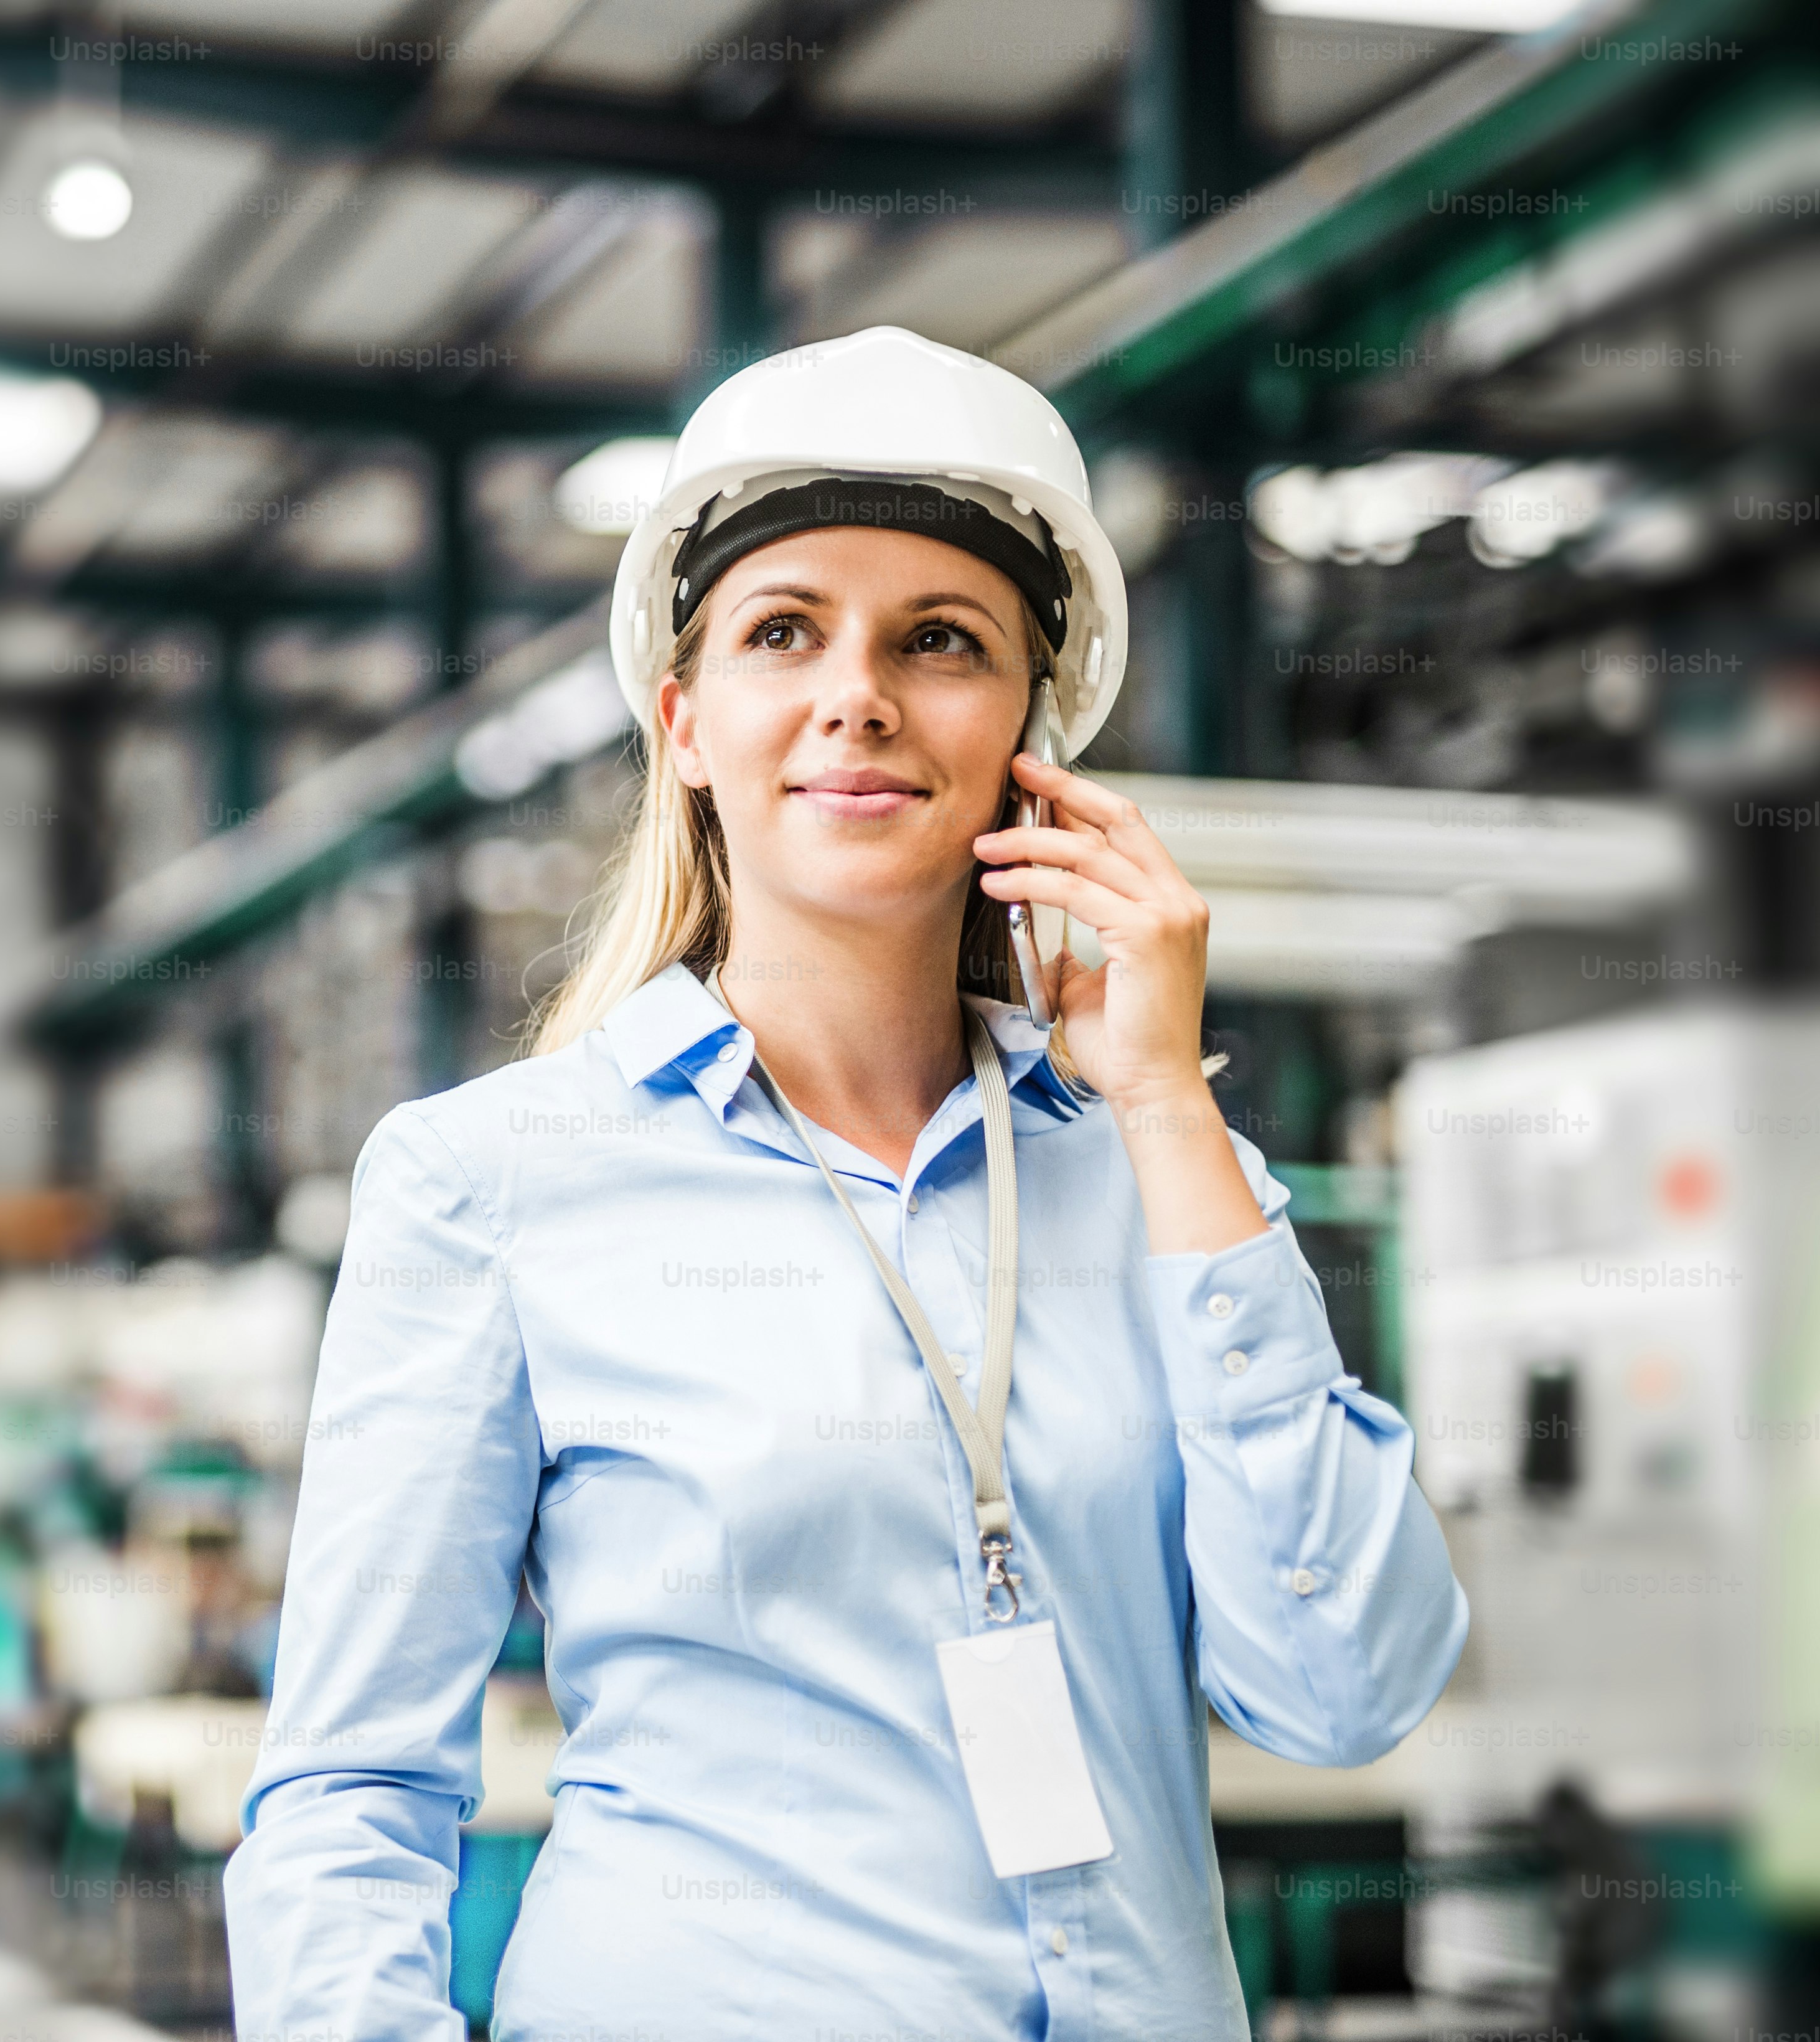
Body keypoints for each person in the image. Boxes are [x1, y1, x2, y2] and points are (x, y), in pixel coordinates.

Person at [223, 327, 1467, 2040]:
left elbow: (1346, 1691)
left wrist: (1171, 1107)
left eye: (941, 642)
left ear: (1029, 732)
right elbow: (350, 1793)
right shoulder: (493, 1184)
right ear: (684, 721)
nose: (858, 693)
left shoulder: (1170, 1178)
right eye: (784, 630)